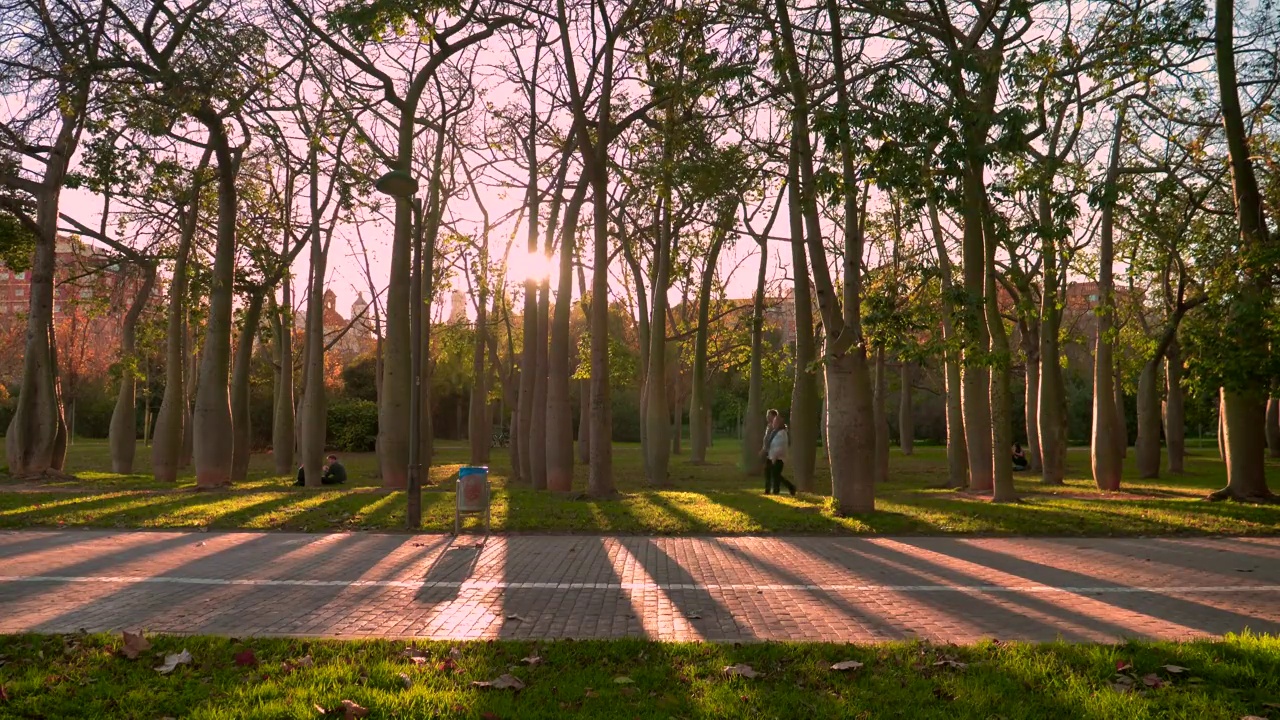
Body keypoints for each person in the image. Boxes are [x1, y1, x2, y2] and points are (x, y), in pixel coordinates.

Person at [765, 414, 796, 496]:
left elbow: (779, 448)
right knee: (773, 474)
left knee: (776, 475)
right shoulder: (775, 432)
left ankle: (788, 488)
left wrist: (774, 459)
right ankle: (771, 490)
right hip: (771, 456)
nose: (773, 423)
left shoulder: (782, 433)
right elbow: (770, 443)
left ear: (778, 423)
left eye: (775, 422)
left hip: (778, 458)